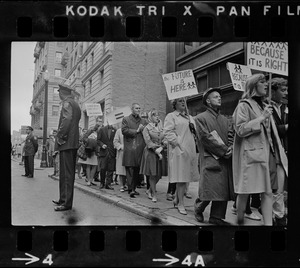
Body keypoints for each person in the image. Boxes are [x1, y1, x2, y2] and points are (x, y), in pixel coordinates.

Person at [232, 73, 287, 225]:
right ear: (253, 85)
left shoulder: (264, 105)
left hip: (266, 154)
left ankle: (268, 225)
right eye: (262, 82)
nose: (266, 85)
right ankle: (240, 221)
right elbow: (240, 129)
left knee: (268, 192)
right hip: (251, 155)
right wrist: (261, 118)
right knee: (245, 192)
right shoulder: (244, 105)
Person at [193, 88, 234, 225]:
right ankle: (199, 208)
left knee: (222, 189)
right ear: (208, 101)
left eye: (219, 96)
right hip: (210, 157)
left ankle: (216, 217)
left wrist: (230, 148)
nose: (219, 98)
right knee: (210, 188)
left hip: (225, 158)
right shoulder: (200, 118)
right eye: (216, 97)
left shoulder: (226, 119)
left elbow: (231, 135)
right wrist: (223, 150)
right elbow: (205, 138)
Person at [163, 98, 200, 215]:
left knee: (186, 177)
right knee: (181, 178)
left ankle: (177, 199)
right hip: (179, 150)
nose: (183, 103)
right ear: (175, 104)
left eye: (184, 101)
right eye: (180, 101)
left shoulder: (190, 117)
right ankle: (180, 203)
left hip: (190, 150)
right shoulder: (171, 116)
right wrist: (178, 143)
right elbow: (168, 132)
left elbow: (195, 133)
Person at [52, 84, 81, 212]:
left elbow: (67, 119)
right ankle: (63, 199)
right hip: (71, 142)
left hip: (66, 142)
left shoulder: (66, 103)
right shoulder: (75, 104)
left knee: (66, 175)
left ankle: (66, 203)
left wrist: (60, 135)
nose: (58, 94)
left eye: (59, 92)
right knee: (66, 174)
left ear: (61, 93)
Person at [270, 77, 288, 226]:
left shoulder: (286, 108)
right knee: (278, 188)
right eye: (282, 90)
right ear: (273, 91)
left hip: (287, 151)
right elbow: (272, 130)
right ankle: (279, 217)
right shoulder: (266, 108)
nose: (286, 93)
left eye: (286, 89)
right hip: (275, 154)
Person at [140, 109, 168, 202]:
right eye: (155, 115)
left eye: (158, 115)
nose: (157, 117)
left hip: (160, 150)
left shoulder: (161, 127)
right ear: (150, 117)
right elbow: (148, 142)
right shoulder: (146, 128)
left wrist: (163, 145)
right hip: (151, 152)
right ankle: (154, 194)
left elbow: (165, 137)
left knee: (159, 174)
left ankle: (149, 190)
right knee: (153, 174)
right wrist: (157, 150)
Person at [122, 103, 147, 198]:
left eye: (139, 108)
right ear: (132, 109)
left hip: (140, 147)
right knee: (130, 168)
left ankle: (133, 188)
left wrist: (144, 129)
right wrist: (137, 131)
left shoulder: (143, 121)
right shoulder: (126, 119)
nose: (138, 109)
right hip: (130, 148)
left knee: (137, 169)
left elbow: (147, 131)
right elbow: (124, 131)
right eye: (136, 108)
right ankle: (130, 189)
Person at [97, 123, 117, 190]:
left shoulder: (115, 130)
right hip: (104, 151)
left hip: (112, 152)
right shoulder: (102, 130)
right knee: (103, 168)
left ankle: (108, 184)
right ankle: (102, 183)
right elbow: (98, 140)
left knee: (110, 169)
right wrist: (102, 145)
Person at [113, 124, 127, 192]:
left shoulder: (131, 130)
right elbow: (115, 141)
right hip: (121, 152)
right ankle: (122, 185)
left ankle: (127, 184)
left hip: (130, 152)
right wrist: (120, 146)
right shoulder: (119, 131)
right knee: (121, 170)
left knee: (129, 169)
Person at [93, 116, 103, 182]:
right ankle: (90, 176)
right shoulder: (93, 129)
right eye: (99, 121)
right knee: (94, 164)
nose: (100, 122)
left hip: (100, 148)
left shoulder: (102, 128)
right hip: (94, 149)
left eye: (101, 121)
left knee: (99, 164)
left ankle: (96, 176)